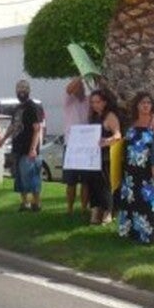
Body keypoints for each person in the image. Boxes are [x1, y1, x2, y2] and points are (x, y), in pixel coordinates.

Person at [117, 92, 154, 244]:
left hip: (151, 170)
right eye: (142, 103)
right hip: (132, 172)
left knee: (151, 202)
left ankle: (153, 235)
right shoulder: (133, 123)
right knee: (134, 201)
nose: (146, 105)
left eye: (148, 103)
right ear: (137, 105)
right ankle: (133, 232)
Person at [5, 79, 45, 212]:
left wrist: (33, 148)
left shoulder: (33, 107)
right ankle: (24, 203)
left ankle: (36, 203)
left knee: (32, 177)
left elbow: (37, 128)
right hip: (18, 147)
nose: (21, 91)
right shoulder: (17, 108)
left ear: (28, 90)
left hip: (29, 149)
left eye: (24, 88)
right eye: (19, 88)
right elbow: (13, 126)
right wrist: (3, 139)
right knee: (20, 178)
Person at [86, 88, 121, 225]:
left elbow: (118, 135)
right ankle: (95, 210)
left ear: (105, 102)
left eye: (97, 102)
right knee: (93, 185)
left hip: (106, 157)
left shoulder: (110, 116)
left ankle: (108, 211)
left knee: (105, 185)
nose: (95, 105)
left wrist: (107, 141)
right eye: (92, 102)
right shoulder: (93, 117)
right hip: (92, 158)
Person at [62, 78, 94, 215]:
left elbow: (96, 94)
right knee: (71, 181)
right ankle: (69, 208)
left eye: (81, 86)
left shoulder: (88, 100)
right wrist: (81, 76)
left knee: (86, 181)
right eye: (77, 86)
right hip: (71, 145)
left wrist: (89, 81)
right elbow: (68, 89)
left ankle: (83, 208)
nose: (79, 88)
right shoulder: (68, 100)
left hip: (86, 145)